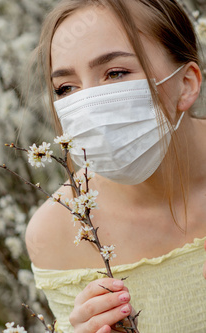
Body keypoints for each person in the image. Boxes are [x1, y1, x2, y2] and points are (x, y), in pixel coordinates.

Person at [25, 0, 206, 332]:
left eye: (116, 73)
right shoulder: (59, 232)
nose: (89, 105)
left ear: (187, 83)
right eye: (66, 88)